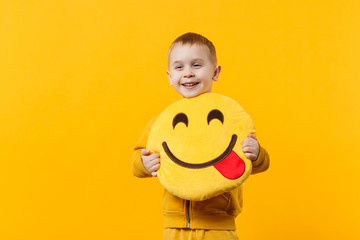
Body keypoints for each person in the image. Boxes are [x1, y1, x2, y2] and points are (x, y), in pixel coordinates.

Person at [131, 32, 270, 240]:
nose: (188, 73)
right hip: (174, 226)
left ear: (215, 71)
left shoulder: (229, 118)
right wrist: (143, 162)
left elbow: (257, 163)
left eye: (196, 65)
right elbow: (136, 159)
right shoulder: (163, 122)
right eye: (179, 67)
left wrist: (257, 153)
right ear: (170, 77)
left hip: (219, 226)